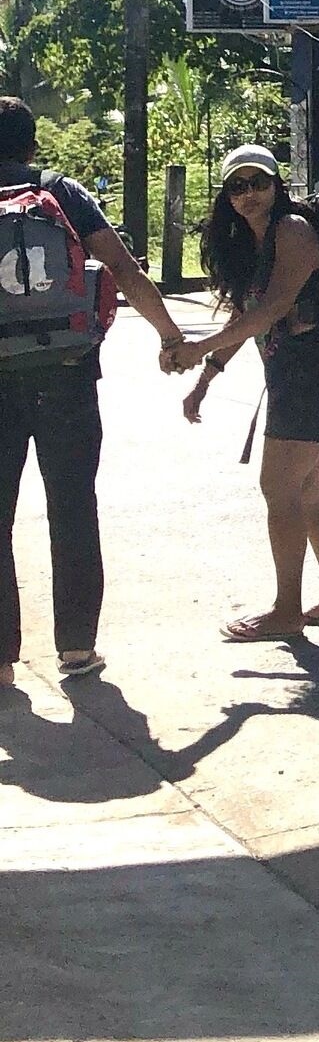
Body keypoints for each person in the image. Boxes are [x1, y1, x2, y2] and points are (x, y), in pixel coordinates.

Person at [0, 95, 181, 682]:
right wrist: (170, 334)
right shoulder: (65, 193)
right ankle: (77, 649)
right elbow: (124, 270)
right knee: (73, 508)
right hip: (68, 373)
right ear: (32, 143)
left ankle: (1, 663)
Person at [172, 145, 319, 644]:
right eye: (237, 186)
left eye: (257, 182)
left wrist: (198, 348)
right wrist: (206, 378)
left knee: (279, 488)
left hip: (314, 373)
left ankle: (287, 610)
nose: (249, 195)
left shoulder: (294, 230)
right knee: (307, 491)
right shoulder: (250, 244)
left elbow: (273, 309)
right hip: (294, 374)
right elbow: (248, 321)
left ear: (277, 184)